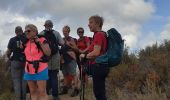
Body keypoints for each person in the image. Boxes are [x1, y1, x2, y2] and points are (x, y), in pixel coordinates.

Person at [80, 15, 110, 100]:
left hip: (99, 66)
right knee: (100, 92)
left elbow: (96, 52)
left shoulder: (99, 35)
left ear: (97, 24)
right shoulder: (101, 34)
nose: (88, 25)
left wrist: (85, 56)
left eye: (91, 22)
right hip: (101, 66)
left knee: (99, 94)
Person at [24, 24, 51, 100]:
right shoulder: (25, 42)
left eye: (28, 31)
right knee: (32, 92)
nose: (26, 33)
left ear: (35, 32)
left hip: (41, 68)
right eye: (25, 31)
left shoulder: (42, 39)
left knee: (42, 92)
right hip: (28, 69)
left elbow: (48, 53)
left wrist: (40, 43)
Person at [39, 20, 64, 100]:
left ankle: (46, 93)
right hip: (55, 56)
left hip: (45, 57)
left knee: (47, 75)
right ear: (52, 25)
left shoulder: (41, 33)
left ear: (44, 25)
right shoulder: (56, 33)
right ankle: (55, 96)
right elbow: (62, 43)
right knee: (54, 75)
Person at [6, 26, 27, 100]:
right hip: (25, 62)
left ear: (15, 32)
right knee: (24, 81)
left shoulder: (12, 40)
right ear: (22, 31)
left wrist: (9, 57)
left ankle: (18, 98)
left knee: (16, 81)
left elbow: (8, 52)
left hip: (15, 61)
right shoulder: (25, 39)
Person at [60, 25, 79, 97]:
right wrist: (61, 58)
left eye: (66, 31)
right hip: (64, 60)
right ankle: (65, 89)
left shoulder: (71, 39)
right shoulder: (62, 39)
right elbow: (62, 50)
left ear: (68, 31)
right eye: (63, 31)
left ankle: (76, 89)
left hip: (71, 59)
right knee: (65, 74)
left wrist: (70, 45)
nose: (64, 33)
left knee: (73, 74)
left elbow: (76, 49)